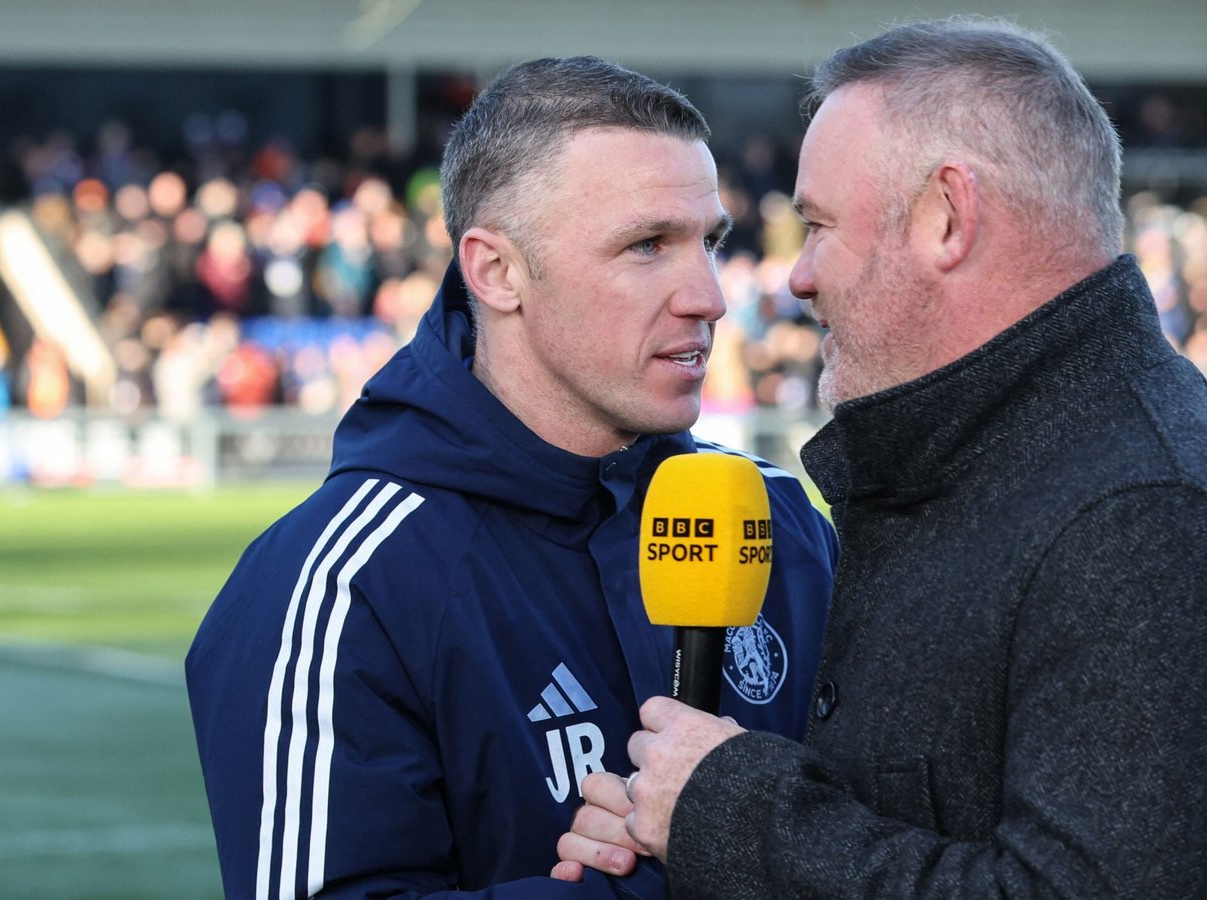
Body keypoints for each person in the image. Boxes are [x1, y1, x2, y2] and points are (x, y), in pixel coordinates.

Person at [560, 19, 1207, 898]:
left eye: (818, 226)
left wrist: (726, 811)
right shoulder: (1035, 476)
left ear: (948, 216)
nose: (799, 276)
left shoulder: (1143, 520)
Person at [185, 57, 839, 898]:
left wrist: (751, 830)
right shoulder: (342, 585)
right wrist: (647, 882)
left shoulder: (782, 520)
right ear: (496, 272)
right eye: (647, 245)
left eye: (708, 241)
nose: (708, 296)